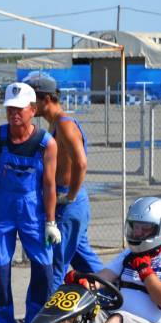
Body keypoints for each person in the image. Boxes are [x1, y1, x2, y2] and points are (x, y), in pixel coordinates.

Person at [0, 82, 60, 323]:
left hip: (34, 213)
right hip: (0, 213)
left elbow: (49, 185)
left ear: (32, 109)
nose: (14, 113)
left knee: (44, 267)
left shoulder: (46, 143)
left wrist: (51, 222)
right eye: (10, 108)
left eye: (19, 109)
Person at [28, 75, 104, 287]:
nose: (30, 106)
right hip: (69, 202)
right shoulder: (55, 124)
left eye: (33, 101)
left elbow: (81, 163)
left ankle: (49, 309)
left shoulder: (64, 124)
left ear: (46, 99)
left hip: (69, 203)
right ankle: (116, 292)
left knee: (55, 266)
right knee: (84, 260)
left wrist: (70, 196)